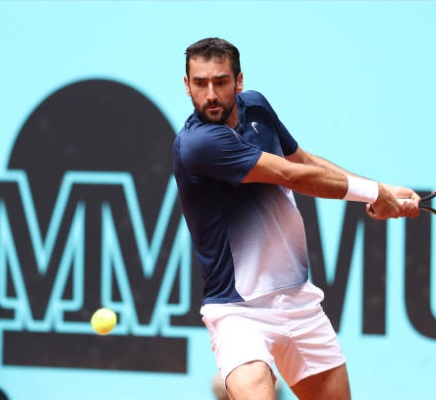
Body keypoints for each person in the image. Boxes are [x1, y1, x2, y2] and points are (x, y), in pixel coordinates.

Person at [173, 37, 420, 400]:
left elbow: (302, 160)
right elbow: (291, 175)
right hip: (238, 311)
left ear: (239, 81)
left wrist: (381, 187)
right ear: (187, 85)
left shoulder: (256, 107)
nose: (210, 94)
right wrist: (372, 194)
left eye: (221, 82)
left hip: (299, 301)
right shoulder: (200, 144)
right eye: (200, 83)